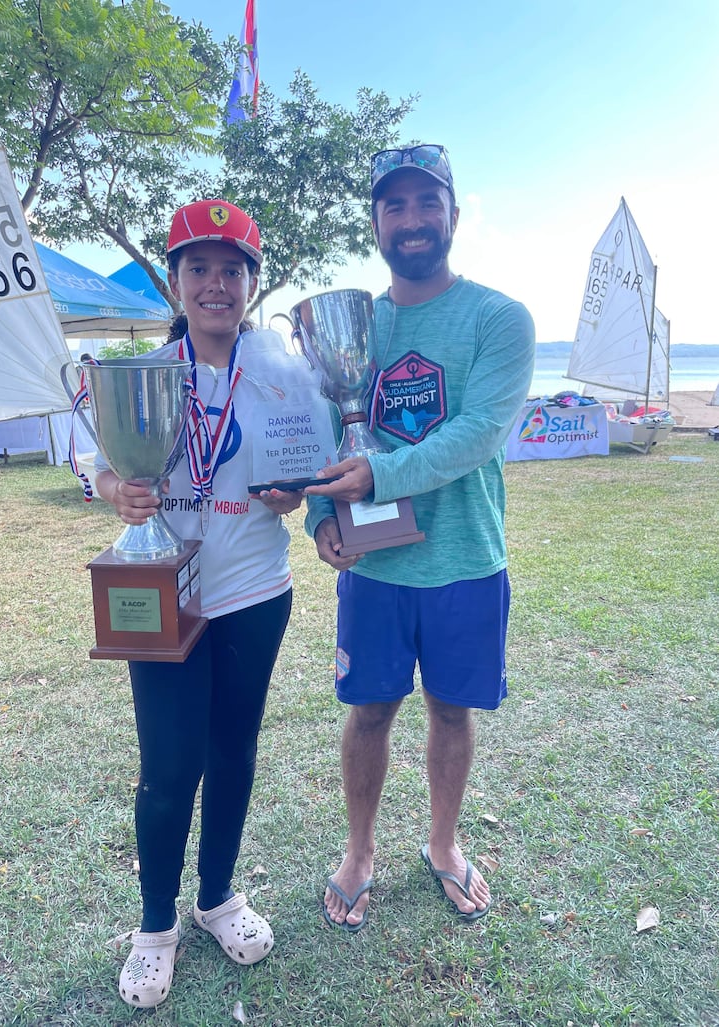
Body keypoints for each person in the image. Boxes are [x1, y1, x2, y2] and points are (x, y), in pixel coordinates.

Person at [94, 200, 321, 1008]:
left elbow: (310, 457)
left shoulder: (283, 373)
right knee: (167, 768)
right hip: (164, 593)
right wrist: (115, 484)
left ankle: (218, 895)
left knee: (234, 751)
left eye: (232, 269)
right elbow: (98, 466)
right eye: (199, 268)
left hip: (257, 591)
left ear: (252, 283)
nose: (216, 284)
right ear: (178, 281)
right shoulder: (146, 371)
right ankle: (156, 927)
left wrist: (299, 490)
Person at [304, 144, 535, 932]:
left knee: (450, 712)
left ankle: (441, 843)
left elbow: (477, 432)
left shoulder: (499, 317)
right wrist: (322, 517)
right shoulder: (354, 323)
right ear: (375, 222)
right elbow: (326, 430)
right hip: (376, 568)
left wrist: (378, 478)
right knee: (368, 712)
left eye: (425, 203)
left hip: (466, 558)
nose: (411, 220)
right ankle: (360, 850)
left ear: (453, 216)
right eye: (393, 206)